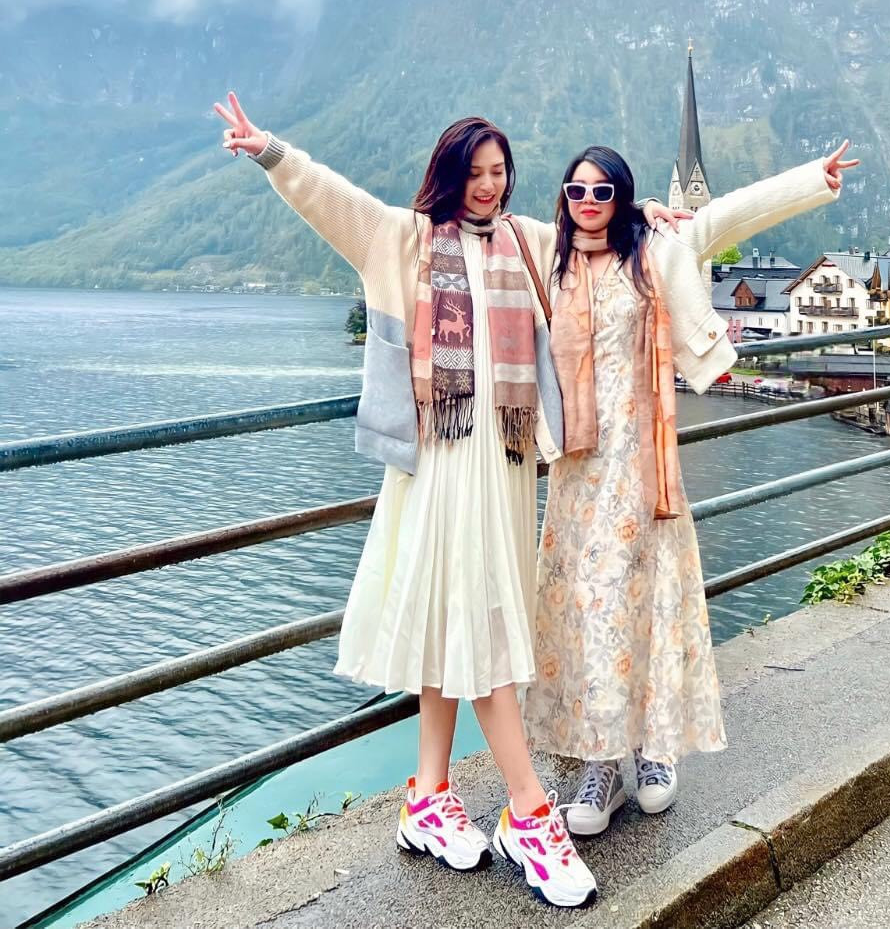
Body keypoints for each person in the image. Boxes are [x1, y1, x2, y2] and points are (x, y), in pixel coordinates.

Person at [213, 94, 679, 906]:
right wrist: (271, 152)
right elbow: (332, 199)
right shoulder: (402, 239)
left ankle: (428, 797)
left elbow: (590, 226)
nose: (488, 186)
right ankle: (529, 815)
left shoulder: (525, 242)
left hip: (504, 469)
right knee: (484, 630)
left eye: (499, 172)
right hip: (438, 470)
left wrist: (641, 212)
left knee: (454, 626)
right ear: (448, 175)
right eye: (475, 173)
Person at [523, 140, 857, 836]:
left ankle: (653, 749)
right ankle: (600, 761)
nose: (588, 203)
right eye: (577, 191)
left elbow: (721, 220)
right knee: (589, 613)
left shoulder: (653, 251)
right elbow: (481, 233)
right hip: (578, 475)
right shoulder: (547, 257)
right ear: (563, 197)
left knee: (649, 606)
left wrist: (811, 181)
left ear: (621, 196)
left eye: (602, 192)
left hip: (644, 470)